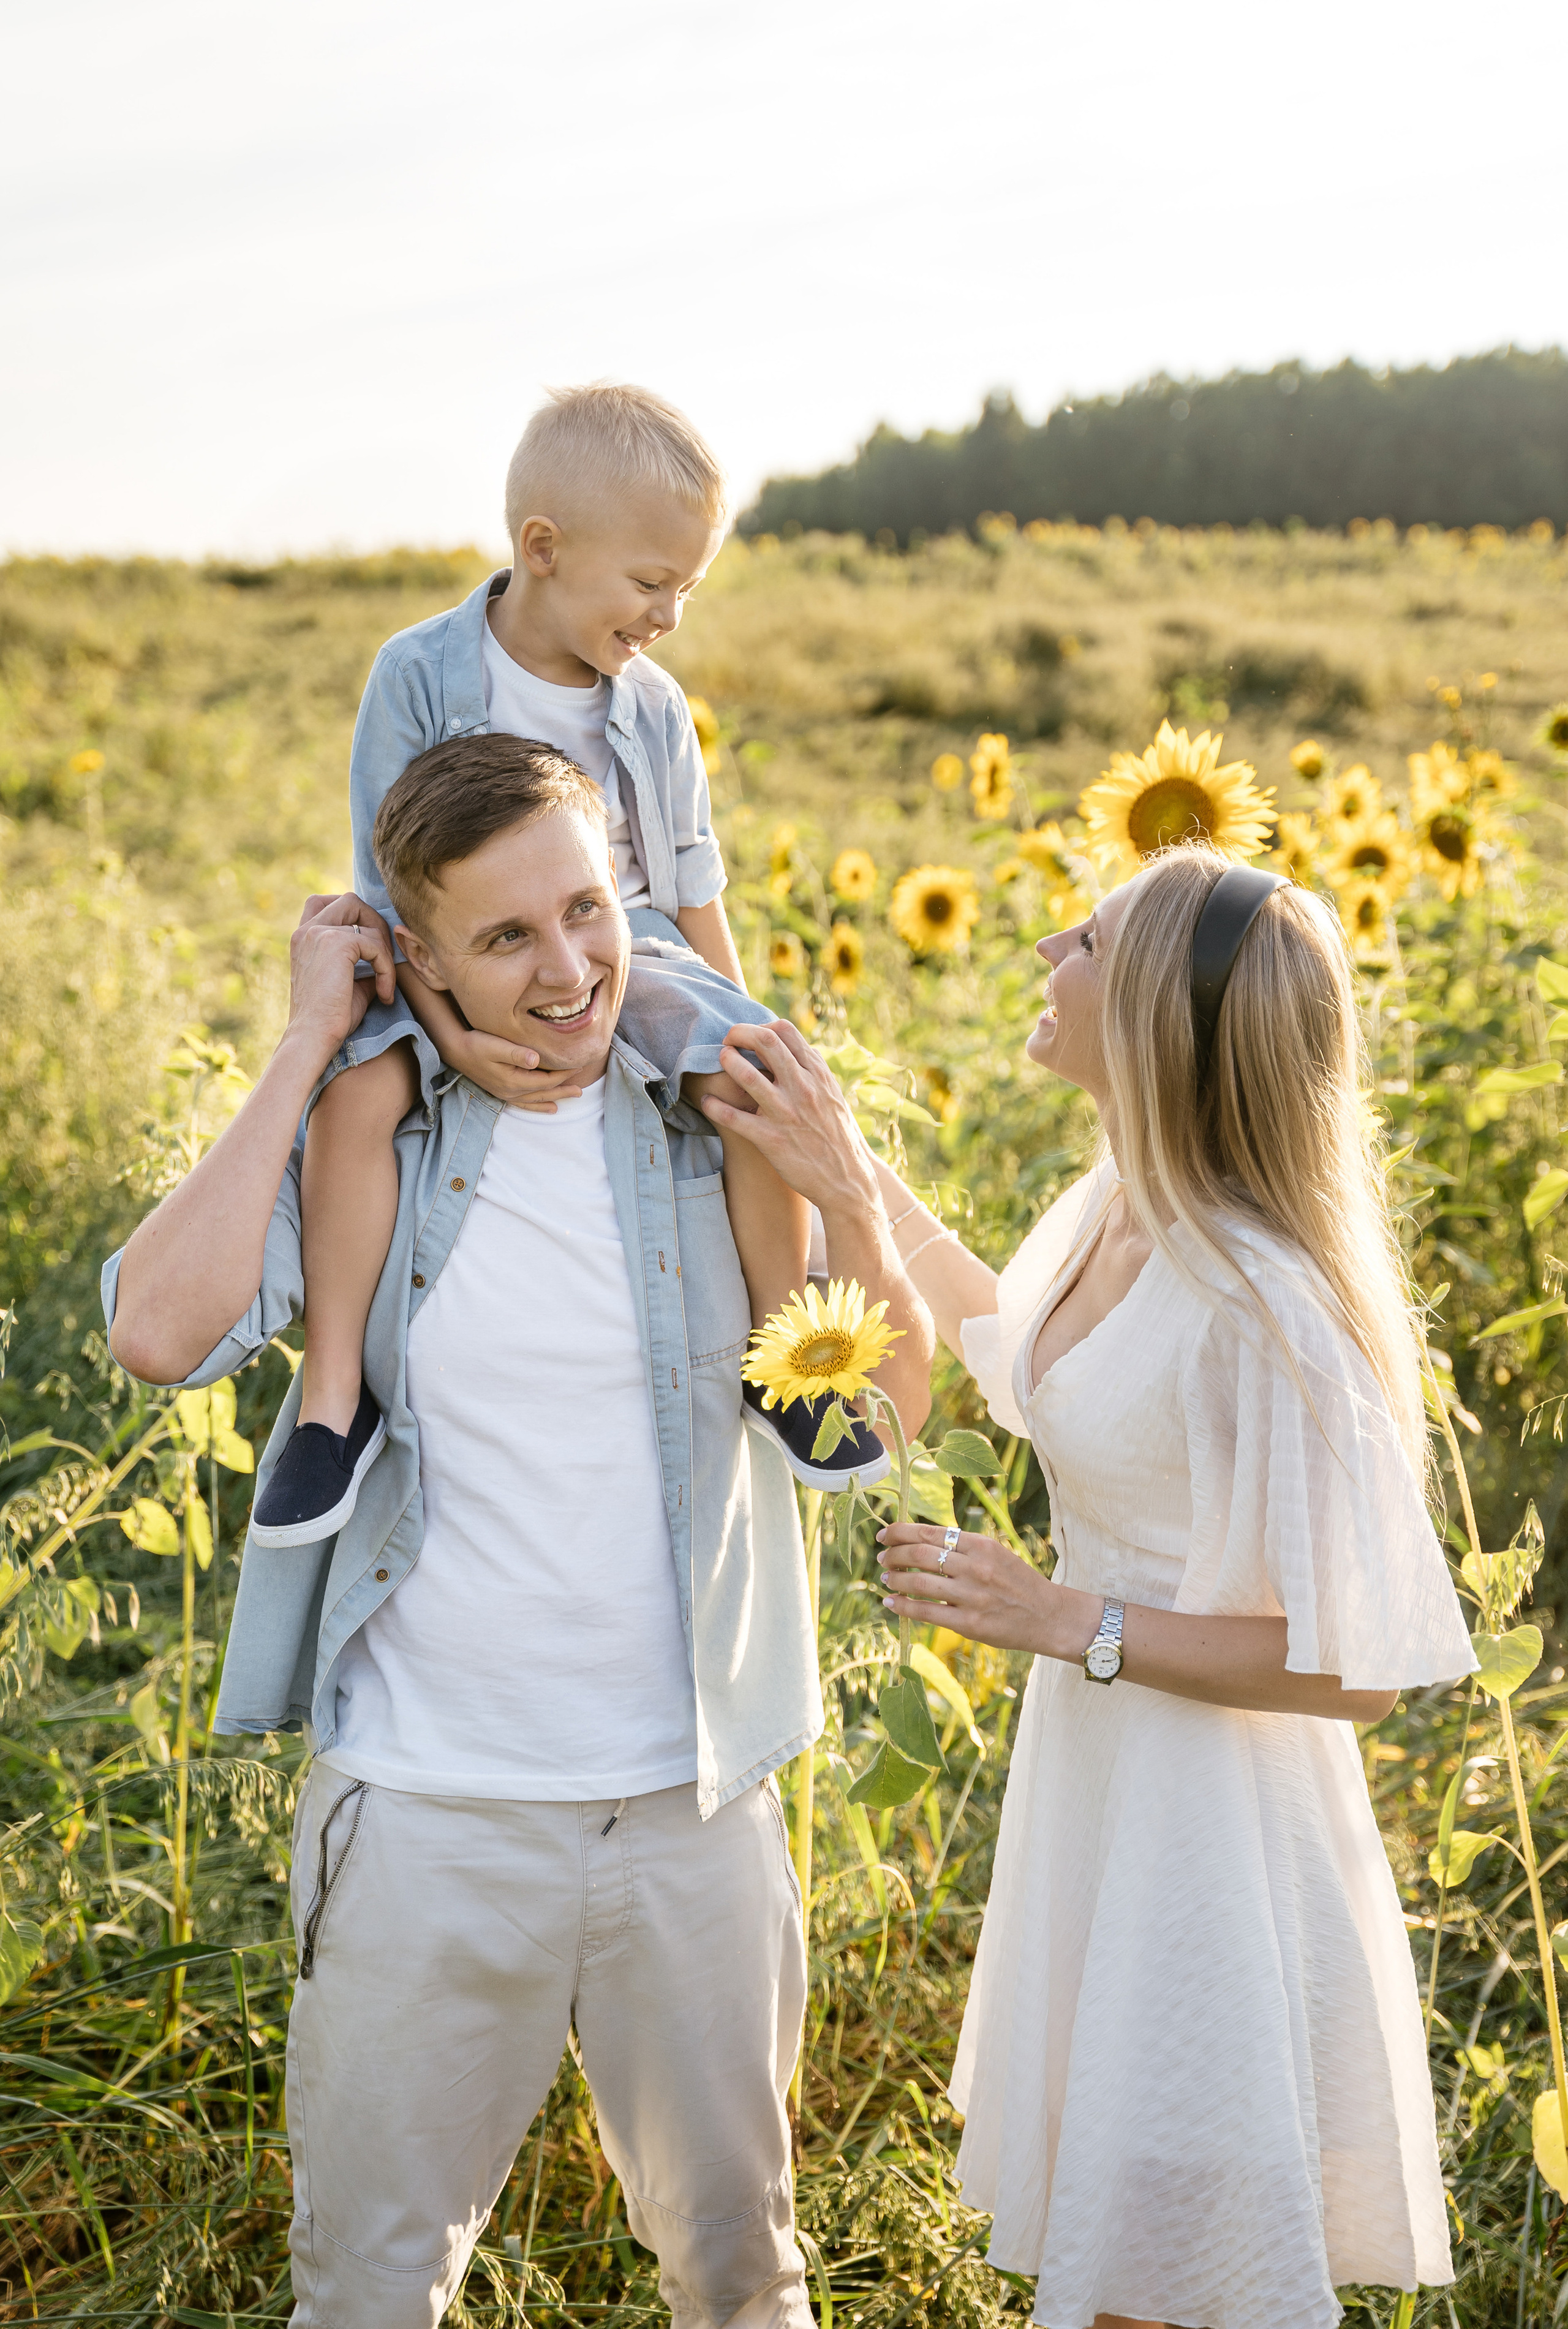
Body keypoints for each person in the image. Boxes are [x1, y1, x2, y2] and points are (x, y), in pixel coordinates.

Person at [104, 738, 933, 2329]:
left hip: (689, 1813)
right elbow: (157, 1329)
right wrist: (303, 1040)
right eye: (503, 939)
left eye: (586, 910)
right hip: (425, 1813)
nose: (568, 971)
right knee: (366, 2288)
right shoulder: (372, 1123)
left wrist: (856, 1195)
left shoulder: (713, 1109)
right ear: (417, 958)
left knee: (743, 2277)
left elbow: (875, 1417)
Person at [854, 845, 1476, 2329]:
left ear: (1145, 1012)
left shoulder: (1263, 1303)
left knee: (1163, 2273)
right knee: (1128, 2264)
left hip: (1208, 1837)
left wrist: (1066, 1621)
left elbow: (1362, 1671)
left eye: (1085, 936)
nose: (1046, 951)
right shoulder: (1113, 1211)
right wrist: (836, 1158)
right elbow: (1015, 1355)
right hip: (1104, 1793)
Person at [257, 380, 884, 1549]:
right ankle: (335, 1404)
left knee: (752, 1077)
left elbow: (693, 891)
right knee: (354, 1093)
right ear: (542, 549)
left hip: (627, 950)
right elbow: (386, 879)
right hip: (444, 958)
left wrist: (740, 1023)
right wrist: (451, 1035)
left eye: (687, 590)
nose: (670, 617)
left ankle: (782, 1347)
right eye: (652, 585)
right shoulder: (421, 673)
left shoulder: (654, 710)